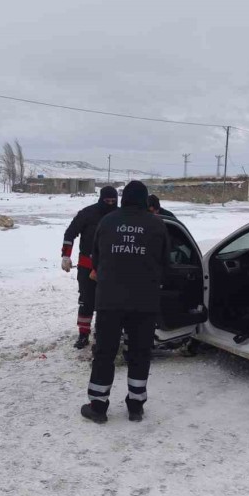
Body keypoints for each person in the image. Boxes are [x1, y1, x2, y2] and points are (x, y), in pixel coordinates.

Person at [81, 180, 169, 423]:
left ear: (123, 198)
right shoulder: (157, 224)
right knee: (140, 353)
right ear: (144, 199)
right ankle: (136, 406)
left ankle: (98, 406)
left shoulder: (107, 222)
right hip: (144, 302)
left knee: (105, 353)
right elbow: (166, 262)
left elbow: (96, 260)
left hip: (109, 301)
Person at [61, 185, 118, 348]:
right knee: (86, 300)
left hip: (111, 267)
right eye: (107, 200)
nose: (110, 203)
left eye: (113, 201)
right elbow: (70, 233)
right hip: (87, 265)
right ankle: (83, 334)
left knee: (107, 302)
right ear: (101, 199)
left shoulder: (119, 215)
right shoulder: (87, 213)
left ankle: (102, 332)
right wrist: (66, 255)